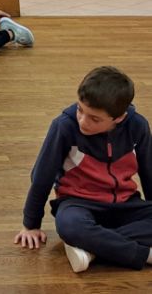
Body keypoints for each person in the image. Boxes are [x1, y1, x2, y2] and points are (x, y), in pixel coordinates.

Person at [14, 66, 152, 272]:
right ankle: (144, 255)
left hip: (125, 203)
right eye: (80, 110)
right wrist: (31, 224)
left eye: (95, 119)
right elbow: (42, 176)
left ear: (119, 118)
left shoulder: (137, 126)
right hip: (77, 205)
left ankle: (92, 250)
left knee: (84, 234)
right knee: (71, 227)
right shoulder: (64, 126)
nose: (83, 121)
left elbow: (149, 171)